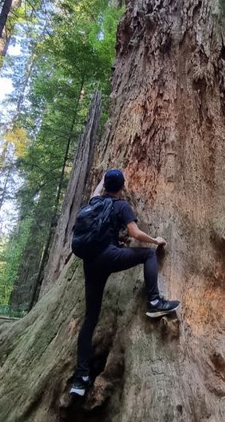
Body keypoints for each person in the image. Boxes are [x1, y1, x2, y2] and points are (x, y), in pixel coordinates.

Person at [69, 168, 180, 397]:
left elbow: (97, 190)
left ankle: (80, 379)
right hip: (110, 256)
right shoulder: (121, 206)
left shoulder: (95, 202)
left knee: (90, 319)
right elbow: (135, 233)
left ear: (105, 185)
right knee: (148, 254)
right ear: (122, 187)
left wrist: (103, 180)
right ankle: (155, 301)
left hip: (90, 264)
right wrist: (156, 240)